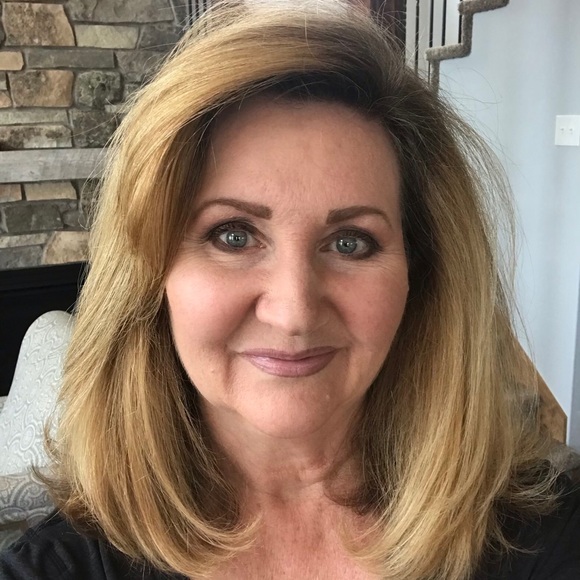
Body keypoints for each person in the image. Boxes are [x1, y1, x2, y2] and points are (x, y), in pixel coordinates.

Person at [1, 1, 579, 579]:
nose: (293, 312)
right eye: (233, 235)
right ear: (151, 276)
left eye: (350, 243)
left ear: (421, 277)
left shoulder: (548, 539)